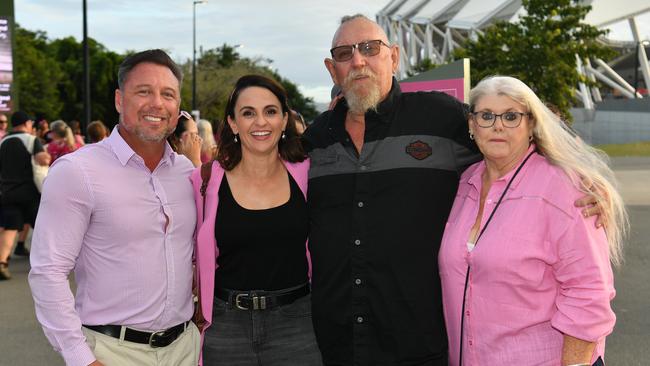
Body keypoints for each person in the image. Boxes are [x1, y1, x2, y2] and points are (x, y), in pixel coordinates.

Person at [302, 14, 602, 366]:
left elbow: (511, 138)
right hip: (339, 345)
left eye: (370, 48)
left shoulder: (440, 117)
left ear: (394, 57)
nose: (358, 60)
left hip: (420, 345)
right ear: (331, 68)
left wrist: (580, 178)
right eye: (344, 53)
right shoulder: (315, 139)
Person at [28, 49, 200, 366]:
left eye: (168, 94)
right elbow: (47, 271)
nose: (157, 104)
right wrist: (80, 358)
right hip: (110, 353)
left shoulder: (186, 173)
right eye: (144, 91)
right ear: (120, 100)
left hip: (185, 349)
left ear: (178, 109)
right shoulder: (77, 172)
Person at [439, 76, 624, 366]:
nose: (498, 125)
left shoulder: (564, 188)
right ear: (472, 126)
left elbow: (589, 293)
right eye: (486, 116)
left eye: (511, 116)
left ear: (531, 126)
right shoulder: (464, 184)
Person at [191, 74, 322, 365]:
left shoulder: (309, 173)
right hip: (226, 329)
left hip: (298, 325)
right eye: (248, 113)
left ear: (284, 119)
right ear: (233, 123)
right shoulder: (206, 180)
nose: (261, 122)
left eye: (271, 111)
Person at [0, 111, 50, 280]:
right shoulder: (31, 140)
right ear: (27, 123)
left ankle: (2, 263)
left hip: (7, 192)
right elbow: (42, 159)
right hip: (29, 193)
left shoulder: (3, 141)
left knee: (10, 228)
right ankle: (50, 261)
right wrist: (47, 157)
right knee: (44, 226)